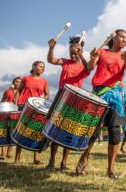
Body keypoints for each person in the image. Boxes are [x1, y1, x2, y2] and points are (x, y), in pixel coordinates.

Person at [76, 29, 126, 179]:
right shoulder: (102, 52)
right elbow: (89, 68)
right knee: (94, 130)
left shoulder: (125, 54)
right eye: (121, 36)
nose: (124, 39)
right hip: (100, 93)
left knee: (115, 132)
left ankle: (111, 169)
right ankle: (85, 156)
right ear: (113, 38)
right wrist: (93, 57)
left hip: (116, 96)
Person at [46, 36, 90, 170]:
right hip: (61, 97)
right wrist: (51, 48)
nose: (73, 54)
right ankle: (52, 161)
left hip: (75, 100)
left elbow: (89, 69)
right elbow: (51, 60)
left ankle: (63, 163)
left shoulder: (84, 65)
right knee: (55, 129)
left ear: (81, 51)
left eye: (76, 52)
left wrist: (82, 55)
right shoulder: (65, 62)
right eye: (71, 52)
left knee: (68, 131)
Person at [13, 61, 49, 165]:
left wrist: (41, 99)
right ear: (34, 67)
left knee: (37, 130)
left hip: (38, 108)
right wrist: (16, 98)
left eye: (44, 67)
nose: (43, 68)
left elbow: (47, 95)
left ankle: (36, 158)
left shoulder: (44, 81)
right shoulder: (26, 78)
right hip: (25, 106)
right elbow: (19, 90)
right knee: (21, 130)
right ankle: (17, 159)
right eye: (40, 66)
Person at [0, 77, 22, 160]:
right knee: (4, 133)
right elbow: (2, 101)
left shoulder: (22, 92)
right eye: (16, 82)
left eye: (20, 82)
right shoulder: (7, 91)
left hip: (16, 114)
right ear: (13, 82)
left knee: (12, 133)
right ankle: (2, 153)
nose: (18, 83)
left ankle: (9, 153)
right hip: (6, 113)